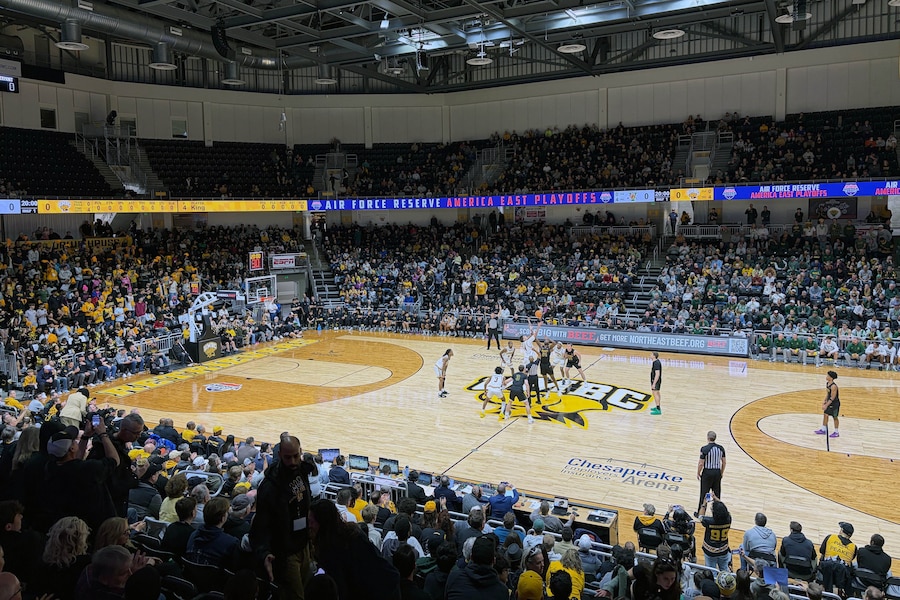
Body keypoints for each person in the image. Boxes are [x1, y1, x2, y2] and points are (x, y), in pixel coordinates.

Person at [249, 435, 316, 600]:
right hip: (286, 553)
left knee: (307, 590)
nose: (293, 461)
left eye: (296, 456)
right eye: (288, 457)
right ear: (279, 455)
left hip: (304, 545)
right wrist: (264, 552)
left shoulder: (301, 472)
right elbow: (260, 525)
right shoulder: (270, 487)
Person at [308, 498, 400, 599]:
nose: (309, 526)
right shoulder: (349, 534)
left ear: (323, 522)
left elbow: (343, 588)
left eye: (311, 522)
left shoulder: (335, 548)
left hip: (380, 589)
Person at [819, 522, 857, 594]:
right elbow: (850, 559)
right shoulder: (854, 547)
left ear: (841, 530)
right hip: (842, 576)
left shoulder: (830, 537)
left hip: (826, 570)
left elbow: (821, 551)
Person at [696, 431, 726, 516]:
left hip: (707, 473)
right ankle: (718, 514)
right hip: (717, 472)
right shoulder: (721, 448)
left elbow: (701, 463)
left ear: (708, 438)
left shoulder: (704, 449)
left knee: (704, 493)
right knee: (716, 494)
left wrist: (698, 472)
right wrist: (721, 472)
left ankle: (700, 513)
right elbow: (724, 462)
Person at [700, 495, 732, 571]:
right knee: (724, 569)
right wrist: (716, 499)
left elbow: (700, 516)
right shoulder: (729, 519)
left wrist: (704, 503)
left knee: (711, 571)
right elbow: (725, 510)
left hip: (710, 551)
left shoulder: (709, 521)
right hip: (724, 550)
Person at [815, 371, 841, 438]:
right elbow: (828, 394)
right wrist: (825, 400)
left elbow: (832, 397)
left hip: (835, 404)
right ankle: (823, 429)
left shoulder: (834, 386)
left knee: (835, 417)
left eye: (828, 376)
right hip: (829, 402)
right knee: (825, 415)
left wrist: (826, 405)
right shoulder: (827, 383)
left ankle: (836, 432)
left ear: (831, 378)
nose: (826, 376)